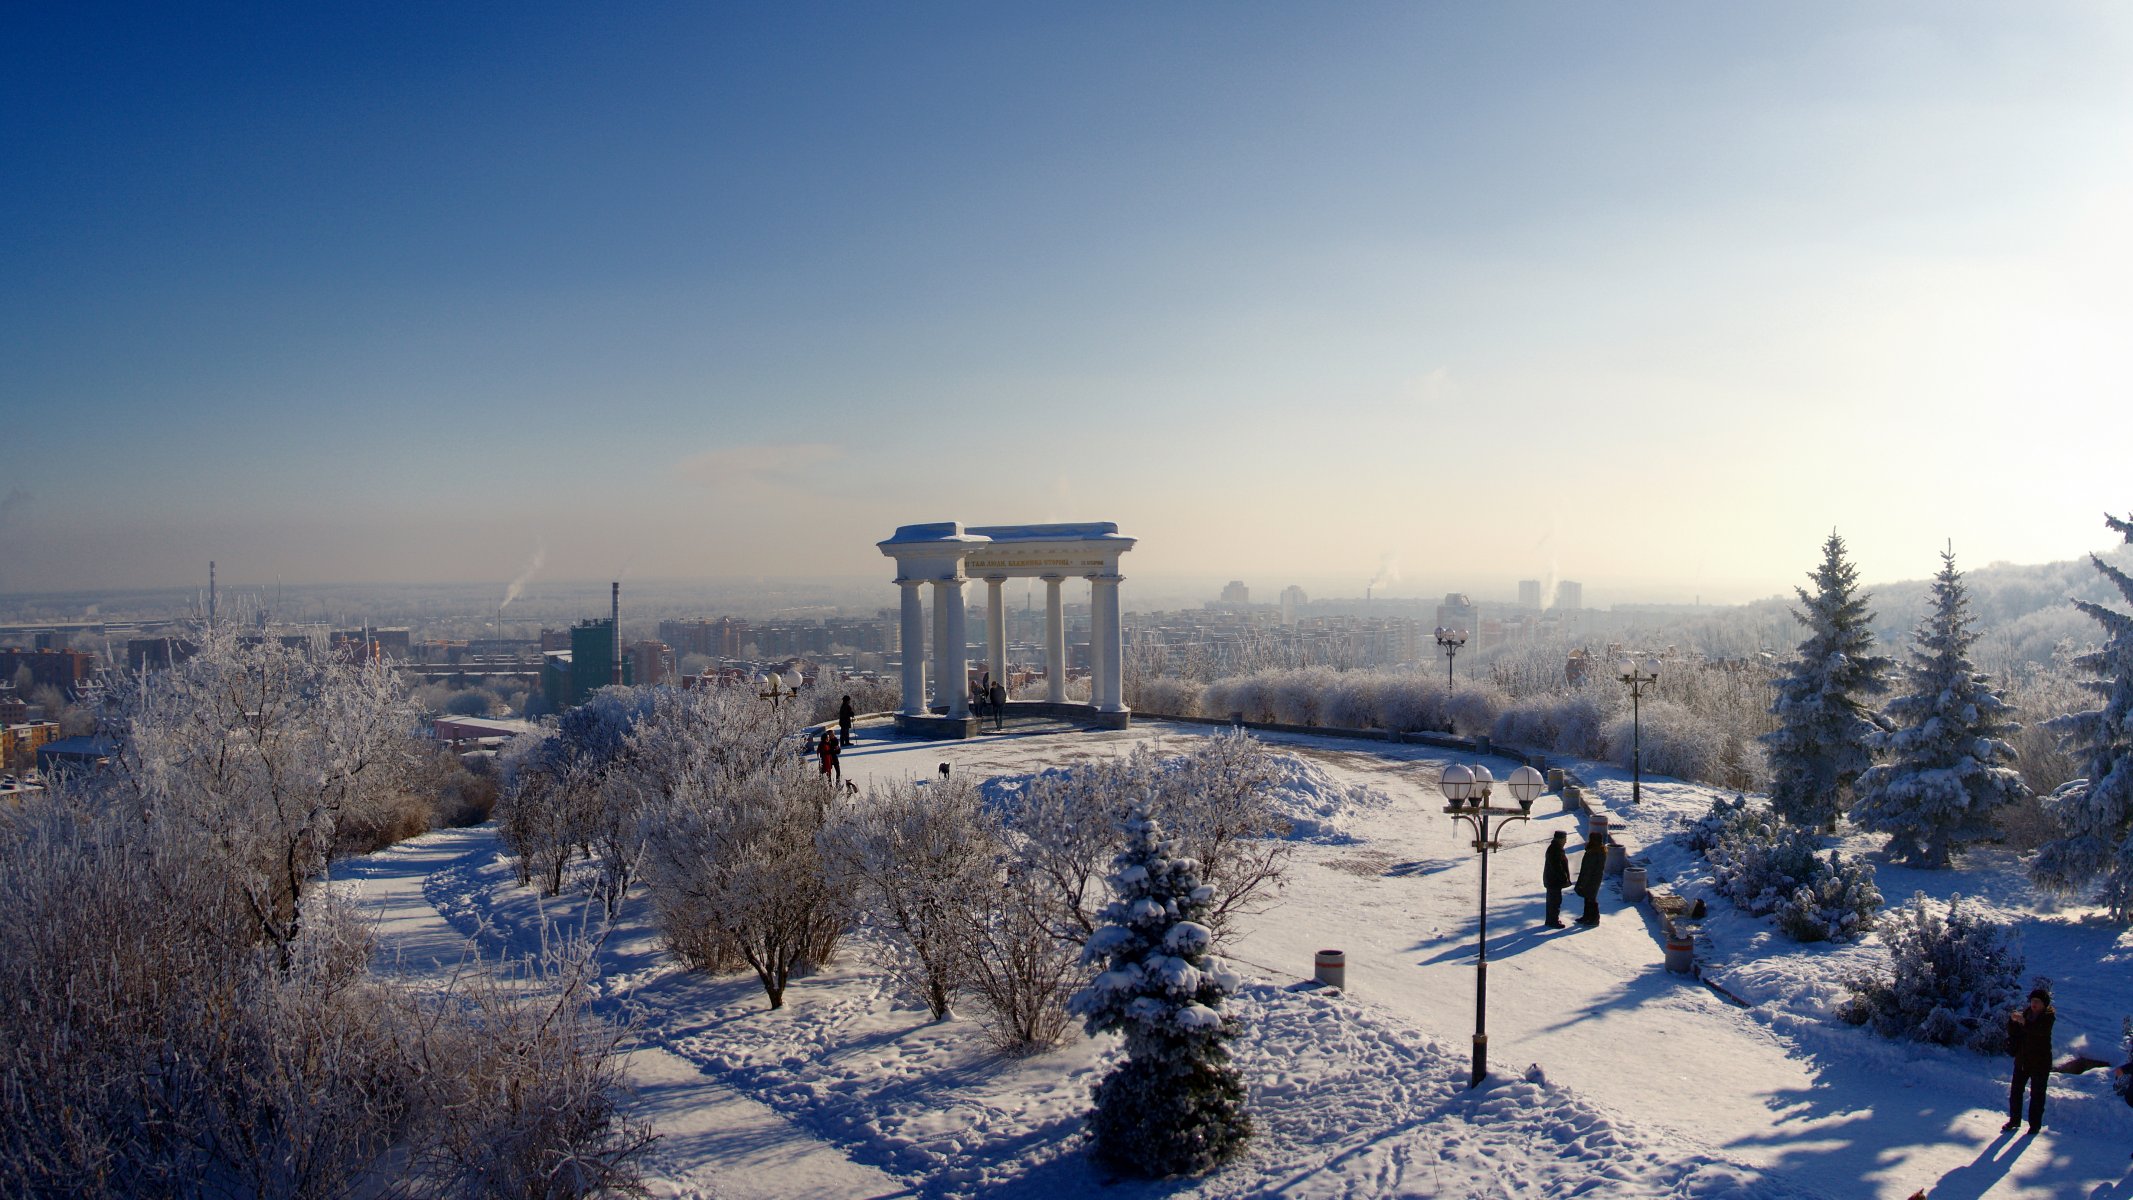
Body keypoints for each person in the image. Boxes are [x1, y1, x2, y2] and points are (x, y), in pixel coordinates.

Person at [2004, 986, 2055, 1134]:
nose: (2034, 1004)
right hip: (2023, 1060)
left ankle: (2034, 1125)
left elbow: (2038, 1031)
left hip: (2040, 1063)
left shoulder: (2048, 1017)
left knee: (2037, 1095)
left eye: (2038, 1001)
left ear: (2044, 1004)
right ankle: (2014, 1120)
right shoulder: (2026, 1014)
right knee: (2015, 1091)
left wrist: (2023, 1022)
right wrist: (2013, 1021)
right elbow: (2015, 1034)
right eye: (2033, 1000)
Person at [1574, 832, 1607, 926]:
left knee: (1591, 898)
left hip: (1592, 878)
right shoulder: (1595, 850)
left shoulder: (1595, 852)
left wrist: (1583, 881)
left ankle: (1594, 919)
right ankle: (1587, 916)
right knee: (1587, 897)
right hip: (1591, 877)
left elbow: (1589, 868)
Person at [1542, 831, 1570, 929]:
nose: (1566, 841)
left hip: (1551, 880)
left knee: (1553, 901)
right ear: (1560, 839)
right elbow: (1557, 867)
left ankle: (1551, 920)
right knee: (1555, 901)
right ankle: (1552, 921)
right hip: (1554, 881)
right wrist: (1564, 877)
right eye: (1565, 839)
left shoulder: (1555, 848)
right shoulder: (1555, 850)